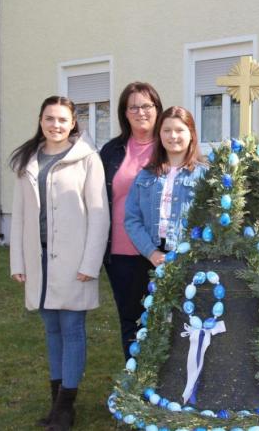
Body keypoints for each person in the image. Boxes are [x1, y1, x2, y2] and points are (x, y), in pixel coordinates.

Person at [9, 96, 108, 430]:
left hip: (74, 261)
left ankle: (66, 407)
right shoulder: (28, 160)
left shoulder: (87, 159)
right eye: (50, 118)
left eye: (62, 120)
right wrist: (17, 260)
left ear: (73, 123)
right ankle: (55, 405)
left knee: (72, 329)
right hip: (39, 260)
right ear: (40, 121)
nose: (56, 125)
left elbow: (99, 215)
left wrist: (90, 263)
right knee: (52, 330)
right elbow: (19, 215)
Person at [98, 82, 164, 360]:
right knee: (131, 321)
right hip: (122, 253)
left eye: (147, 105)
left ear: (157, 109)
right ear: (124, 113)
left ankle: (166, 388)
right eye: (133, 107)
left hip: (161, 252)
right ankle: (136, 383)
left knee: (164, 319)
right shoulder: (112, 151)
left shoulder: (170, 143)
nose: (141, 112)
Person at [124, 106, 206, 266]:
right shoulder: (145, 175)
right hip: (152, 256)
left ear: (191, 135)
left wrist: (191, 252)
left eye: (179, 130)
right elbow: (132, 219)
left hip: (191, 258)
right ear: (159, 135)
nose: (173, 136)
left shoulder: (205, 176)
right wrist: (151, 252)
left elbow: (211, 220)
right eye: (167, 130)